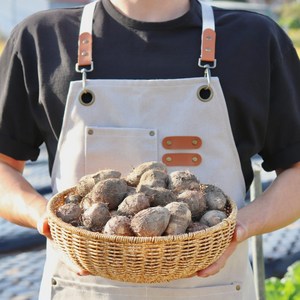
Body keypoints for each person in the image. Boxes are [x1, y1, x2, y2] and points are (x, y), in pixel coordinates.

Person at [0, 0, 299, 299]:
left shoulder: (255, 40)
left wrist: (240, 227)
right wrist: (46, 219)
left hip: (215, 289)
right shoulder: (41, 38)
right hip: (83, 289)